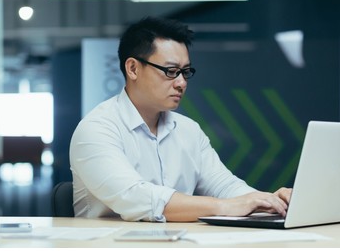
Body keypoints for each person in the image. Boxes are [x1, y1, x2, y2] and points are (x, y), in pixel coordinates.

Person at [69, 16, 291, 222]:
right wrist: (226, 207)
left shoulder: (188, 130)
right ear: (133, 68)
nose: (181, 82)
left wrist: (268, 201)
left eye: (185, 72)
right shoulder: (96, 129)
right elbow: (138, 198)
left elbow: (224, 185)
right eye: (171, 71)